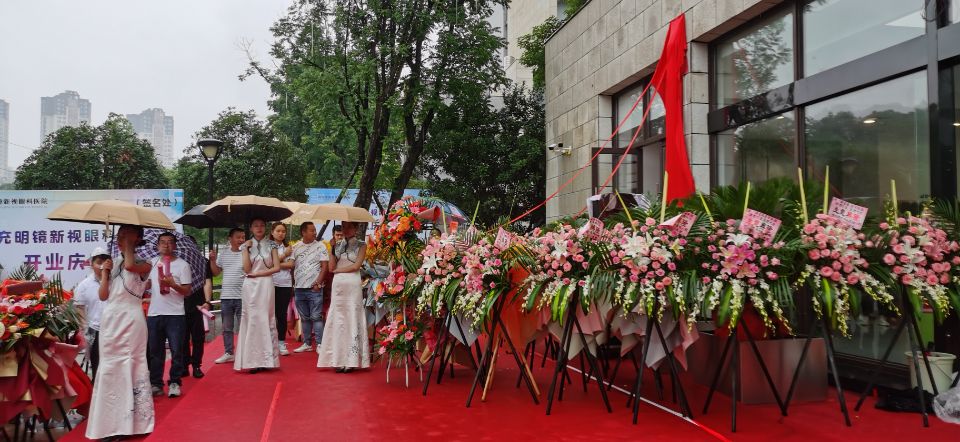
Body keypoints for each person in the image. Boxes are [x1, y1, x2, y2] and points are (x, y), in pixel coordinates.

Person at [85, 225, 155, 440]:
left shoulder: (146, 264)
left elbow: (132, 265)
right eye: (120, 233)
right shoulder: (112, 264)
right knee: (109, 368)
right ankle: (107, 423)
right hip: (110, 320)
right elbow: (103, 295)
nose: (122, 236)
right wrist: (105, 272)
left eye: (127, 233)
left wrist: (127, 246)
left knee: (131, 364)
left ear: (138, 238)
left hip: (132, 319)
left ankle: (132, 423)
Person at [317, 221, 370, 372]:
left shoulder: (361, 245)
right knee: (338, 320)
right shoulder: (338, 245)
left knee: (352, 317)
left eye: (348, 227)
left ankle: (351, 360)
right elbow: (331, 267)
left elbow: (356, 266)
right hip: (338, 286)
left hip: (352, 283)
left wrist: (339, 271)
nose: (345, 230)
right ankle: (337, 359)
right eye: (343, 226)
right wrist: (332, 248)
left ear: (355, 228)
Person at [146, 232, 192, 398]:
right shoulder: (151, 264)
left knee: (177, 350)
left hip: (175, 314)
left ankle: (174, 382)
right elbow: (146, 285)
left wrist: (173, 285)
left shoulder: (182, 265)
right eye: (163, 242)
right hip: (154, 313)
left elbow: (187, 291)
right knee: (155, 351)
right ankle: (156, 383)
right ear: (157, 246)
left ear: (175, 245)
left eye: (170, 242)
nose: (166, 245)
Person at [235, 218, 281, 372]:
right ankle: (251, 360)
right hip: (250, 285)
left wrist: (260, 273)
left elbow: (276, 267)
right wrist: (246, 250)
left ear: (266, 227)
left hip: (266, 283)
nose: (259, 228)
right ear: (251, 228)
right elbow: (247, 269)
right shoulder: (245, 245)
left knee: (266, 318)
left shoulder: (272, 244)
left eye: (262, 225)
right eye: (256, 226)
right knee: (252, 319)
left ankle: (267, 360)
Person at [290, 222, 328, 353]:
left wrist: (318, 283)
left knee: (316, 316)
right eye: (312, 230)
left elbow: (324, 267)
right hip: (299, 288)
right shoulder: (295, 247)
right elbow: (291, 266)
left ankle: (320, 344)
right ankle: (306, 343)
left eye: (315, 230)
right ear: (303, 232)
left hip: (314, 288)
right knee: (304, 317)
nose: (315, 233)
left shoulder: (320, 246)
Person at [74, 247, 110, 381]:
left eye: (105, 262)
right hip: (96, 330)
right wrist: (85, 330)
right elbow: (79, 308)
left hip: (115, 329)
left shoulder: (116, 281)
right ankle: (97, 395)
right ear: (91, 264)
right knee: (97, 365)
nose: (102, 266)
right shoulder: (84, 285)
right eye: (98, 262)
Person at [210, 228, 246, 364]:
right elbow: (216, 273)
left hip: (243, 296)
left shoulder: (246, 253)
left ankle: (244, 352)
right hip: (226, 296)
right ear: (230, 239)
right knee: (227, 327)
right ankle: (229, 352)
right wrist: (212, 260)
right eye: (238, 237)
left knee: (244, 326)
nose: (241, 240)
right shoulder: (224, 254)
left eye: (243, 237)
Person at [183, 237, 213, 379]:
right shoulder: (174, 263)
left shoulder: (202, 262)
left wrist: (207, 301)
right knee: (181, 338)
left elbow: (207, 281)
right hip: (178, 307)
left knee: (198, 338)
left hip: (197, 304)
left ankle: (196, 365)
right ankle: (183, 365)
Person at [271, 223, 295, 356]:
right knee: (269, 315)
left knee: (281, 315)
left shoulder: (288, 247)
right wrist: (282, 256)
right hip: (270, 283)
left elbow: (291, 265)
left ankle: (281, 342)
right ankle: (270, 342)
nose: (281, 233)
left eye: (283, 231)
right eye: (278, 231)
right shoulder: (268, 246)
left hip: (285, 284)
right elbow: (267, 263)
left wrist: (275, 263)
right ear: (272, 232)